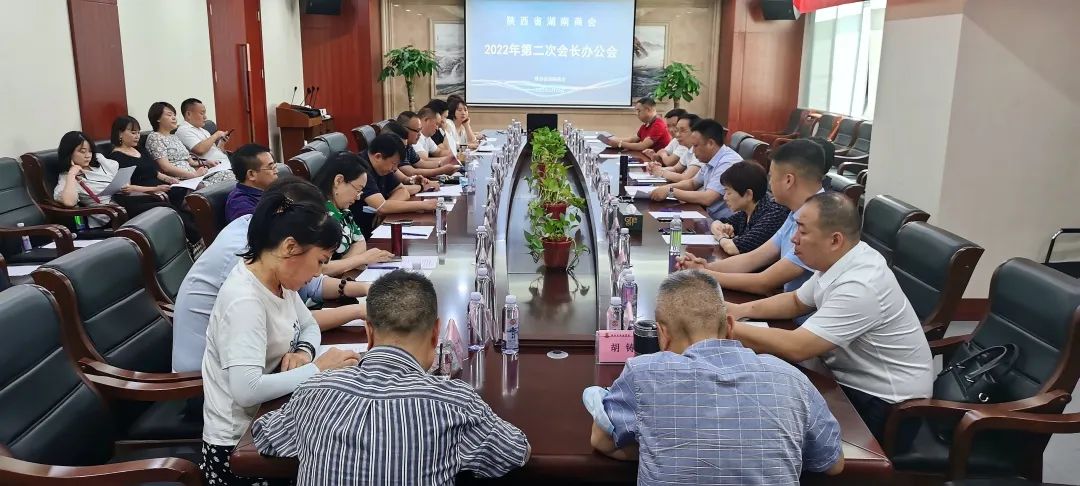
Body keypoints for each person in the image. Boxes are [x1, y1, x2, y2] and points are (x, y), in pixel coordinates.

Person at [253, 270, 531, 485]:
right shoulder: (454, 403)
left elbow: (266, 436)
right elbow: (515, 451)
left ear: (369, 332)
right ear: (435, 333)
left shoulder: (313, 392)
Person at [583, 270, 844, 483]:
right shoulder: (791, 379)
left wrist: (660, 448)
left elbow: (602, 440)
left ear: (662, 335)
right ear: (730, 327)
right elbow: (832, 463)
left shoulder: (644, 374)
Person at [726, 192, 934, 442]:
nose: (794, 238)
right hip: (842, 378)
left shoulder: (861, 285)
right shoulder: (842, 259)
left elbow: (798, 347)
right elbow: (795, 302)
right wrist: (737, 311)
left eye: (802, 231)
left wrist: (723, 326)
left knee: (766, 419)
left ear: (835, 240)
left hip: (883, 406)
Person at [199, 186, 360, 486]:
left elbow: (309, 326)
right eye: (320, 261)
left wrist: (303, 352)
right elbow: (246, 390)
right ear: (290, 247)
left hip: (271, 418)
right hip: (240, 448)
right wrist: (318, 368)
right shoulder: (245, 300)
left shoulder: (277, 281)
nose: (319, 273)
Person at [172, 177, 378, 373]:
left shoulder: (263, 235)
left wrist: (364, 288)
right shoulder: (248, 256)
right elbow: (293, 323)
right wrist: (359, 310)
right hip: (205, 376)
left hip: (260, 358)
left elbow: (311, 287)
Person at [678, 139, 828, 296]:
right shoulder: (795, 212)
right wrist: (705, 267)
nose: (770, 183)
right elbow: (752, 259)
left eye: (771, 176)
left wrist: (702, 274)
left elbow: (765, 282)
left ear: (788, 180)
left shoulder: (819, 221)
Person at [108, 116, 200, 242]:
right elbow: (126, 188)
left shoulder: (139, 149)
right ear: (120, 133)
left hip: (160, 188)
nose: (137, 136)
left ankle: (203, 229)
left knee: (191, 194)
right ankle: (196, 238)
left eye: (138, 133)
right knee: (175, 206)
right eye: (133, 133)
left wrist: (170, 179)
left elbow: (155, 172)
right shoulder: (116, 157)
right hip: (142, 195)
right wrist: (155, 189)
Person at [52, 131, 169, 226]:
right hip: (111, 214)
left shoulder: (99, 162)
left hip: (126, 202)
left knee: (165, 208)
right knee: (162, 210)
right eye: (82, 152)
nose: (88, 155)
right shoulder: (66, 178)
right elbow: (69, 202)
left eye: (90, 151)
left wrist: (153, 189)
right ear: (69, 153)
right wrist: (72, 173)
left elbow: (124, 185)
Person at [313, 150, 397, 276]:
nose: (358, 197)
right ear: (338, 181)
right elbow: (317, 270)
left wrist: (344, 264)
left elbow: (360, 241)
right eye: (358, 190)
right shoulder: (318, 216)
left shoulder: (342, 210)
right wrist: (360, 259)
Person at [348, 134, 439, 237]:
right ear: (378, 157)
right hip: (360, 231)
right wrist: (424, 205)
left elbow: (402, 191)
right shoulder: (360, 169)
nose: (395, 169)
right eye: (394, 163)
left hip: (378, 226)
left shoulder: (383, 166)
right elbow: (382, 207)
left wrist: (387, 207)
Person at [649, 119, 741, 220]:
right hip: (708, 215)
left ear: (710, 143)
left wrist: (671, 191)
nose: (693, 151)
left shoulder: (728, 162)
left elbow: (708, 198)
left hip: (724, 223)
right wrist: (666, 188)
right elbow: (692, 183)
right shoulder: (711, 158)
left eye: (696, 146)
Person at [145, 101, 235, 187]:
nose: (174, 118)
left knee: (230, 176)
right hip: (180, 180)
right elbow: (165, 167)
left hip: (194, 176)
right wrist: (193, 175)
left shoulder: (174, 137)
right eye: (169, 115)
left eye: (174, 115)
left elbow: (191, 162)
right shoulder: (155, 137)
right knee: (228, 178)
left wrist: (206, 162)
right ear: (157, 118)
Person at [709, 161, 790, 255]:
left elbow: (734, 248)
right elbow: (717, 223)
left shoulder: (774, 214)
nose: (725, 197)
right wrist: (721, 228)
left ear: (748, 194)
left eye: (729, 192)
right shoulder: (746, 212)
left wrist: (720, 237)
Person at [383, 119, 457, 179]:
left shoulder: (407, 145)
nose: (420, 134)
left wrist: (442, 163)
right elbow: (410, 172)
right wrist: (441, 170)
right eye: (417, 130)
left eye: (420, 130)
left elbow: (420, 163)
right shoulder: (398, 145)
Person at [225, 144, 278, 222]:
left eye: (275, 166)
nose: (276, 171)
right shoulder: (240, 204)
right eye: (271, 167)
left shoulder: (271, 189)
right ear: (251, 174)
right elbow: (259, 228)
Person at [645, 113, 703, 182]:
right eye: (677, 130)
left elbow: (685, 178)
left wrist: (661, 172)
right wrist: (655, 168)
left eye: (683, 131)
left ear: (696, 132)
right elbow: (675, 169)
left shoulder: (701, 152)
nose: (677, 135)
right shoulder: (688, 149)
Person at [177, 98, 232, 168]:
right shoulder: (183, 130)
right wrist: (216, 135)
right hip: (212, 168)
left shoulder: (203, 130)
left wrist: (221, 144)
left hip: (225, 163)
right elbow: (200, 150)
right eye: (202, 113)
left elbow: (215, 151)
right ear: (188, 114)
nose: (205, 117)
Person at [604, 97, 672, 152]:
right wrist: (613, 140)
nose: (636, 114)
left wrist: (620, 143)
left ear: (648, 110)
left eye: (639, 111)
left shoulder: (658, 125)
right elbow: (633, 140)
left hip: (657, 160)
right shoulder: (646, 124)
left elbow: (642, 146)